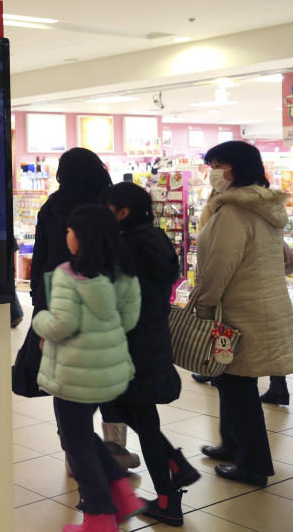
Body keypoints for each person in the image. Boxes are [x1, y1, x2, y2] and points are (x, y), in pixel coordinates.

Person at [32, 205, 144, 532]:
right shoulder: (124, 272)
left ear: (82, 238)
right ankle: (121, 495)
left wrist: (39, 321)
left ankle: (99, 518)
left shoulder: (69, 275)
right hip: (108, 371)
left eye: (70, 230)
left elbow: (60, 325)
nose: (67, 235)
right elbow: (127, 321)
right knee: (82, 436)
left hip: (73, 375)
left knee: (76, 445)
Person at [195, 141, 293, 486]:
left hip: (240, 312)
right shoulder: (265, 208)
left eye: (217, 165)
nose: (213, 173)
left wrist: (204, 303)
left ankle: (252, 464)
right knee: (232, 382)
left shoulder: (235, 211)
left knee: (236, 385)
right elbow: (287, 260)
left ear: (233, 169)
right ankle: (231, 445)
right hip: (265, 306)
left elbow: (218, 265)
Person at [98, 183, 200, 526]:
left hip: (130, 342)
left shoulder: (125, 247)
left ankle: (171, 489)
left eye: (108, 207)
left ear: (123, 212)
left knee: (132, 411)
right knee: (138, 414)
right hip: (153, 336)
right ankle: (174, 478)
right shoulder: (156, 240)